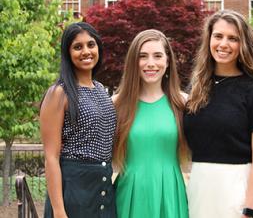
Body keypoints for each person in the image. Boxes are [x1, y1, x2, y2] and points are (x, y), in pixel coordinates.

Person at [183, 10, 253, 218]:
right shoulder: (197, 88)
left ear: (243, 44)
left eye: (233, 38)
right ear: (209, 39)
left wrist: (250, 211)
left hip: (239, 194)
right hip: (200, 190)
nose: (223, 44)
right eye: (218, 36)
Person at [40, 22, 117, 218]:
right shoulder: (59, 92)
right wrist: (58, 211)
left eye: (91, 45)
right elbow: (51, 157)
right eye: (77, 47)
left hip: (103, 187)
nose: (86, 51)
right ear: (68, 53)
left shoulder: (101, 89)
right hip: (74, 189)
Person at [113, 29, 189, 218]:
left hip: (171, 192)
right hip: (130, 193)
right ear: (133, 62)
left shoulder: (183, 103)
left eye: (157, 56)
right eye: (143, 56)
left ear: (168, 61)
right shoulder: (116, 104)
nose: (151, 63)